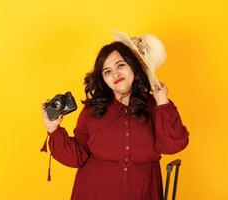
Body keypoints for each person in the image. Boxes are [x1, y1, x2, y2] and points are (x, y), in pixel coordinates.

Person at [41, 32, 189, 200]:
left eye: (120, 65)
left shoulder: (156, 106)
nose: (115, 74)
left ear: (133, 66)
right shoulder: (92, 110)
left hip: (143, 193)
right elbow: (77, 157)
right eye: (107, 71)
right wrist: (53, 129)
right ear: (103, 79)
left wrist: (162, 102)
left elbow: (173, 146)